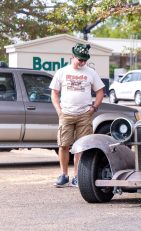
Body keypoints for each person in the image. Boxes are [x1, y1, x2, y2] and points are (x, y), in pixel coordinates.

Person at [50, 43, 105, 188]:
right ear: (72, 57)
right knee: (63, 145)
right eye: (80, 59)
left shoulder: (91, 73)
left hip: (84, 115)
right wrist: (59, 110)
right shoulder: (62, 72)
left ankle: (77, 176)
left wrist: (94, 107)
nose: (82, 63)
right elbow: (54, 93)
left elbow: (100, 91)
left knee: (82, 147)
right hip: (66, 114)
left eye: (85, 60)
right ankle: (64, 175)